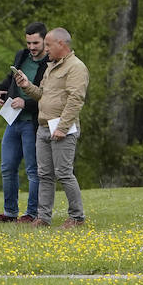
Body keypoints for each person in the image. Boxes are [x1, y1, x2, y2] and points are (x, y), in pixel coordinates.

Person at [14, 27, 89, 229]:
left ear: (61, 44)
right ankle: (43, 218)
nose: (45, 49)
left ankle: (77, 217)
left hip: (62, 128)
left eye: (48, 45)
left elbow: (76, 100)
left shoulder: (76, 67)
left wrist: (63, 127)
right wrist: (27, 86)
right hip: (44, 127)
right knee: (44, 175)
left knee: (64, 173)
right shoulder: (51, 67)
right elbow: (43, 95)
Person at [0, 22, 49, 224]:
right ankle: (10, 212)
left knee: (33, 170)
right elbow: (11, 80)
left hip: (33, 123)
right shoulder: (21, 56)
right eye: (29, 42)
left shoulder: (50, 64)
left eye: (36, 43)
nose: (32, 47)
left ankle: (32, 213)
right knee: (7, 167)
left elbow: (49, 97)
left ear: (44, 40)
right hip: (13, 120)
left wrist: (26, 103)